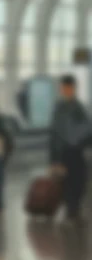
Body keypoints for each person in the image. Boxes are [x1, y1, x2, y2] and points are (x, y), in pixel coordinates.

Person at [49, 74, 90, 223]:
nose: (67, 91)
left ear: (74, 88)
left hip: (76, 150)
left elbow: (87, 128)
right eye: (64, 88)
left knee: (79, 180)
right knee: (67, 182)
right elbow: (54, 134)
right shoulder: (59, 108)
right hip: (64, 151)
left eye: (69, 88)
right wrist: (53, 159)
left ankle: (74, 209)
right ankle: (71, 210)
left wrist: (82, 141)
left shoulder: (78, 106)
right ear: (61, 89)